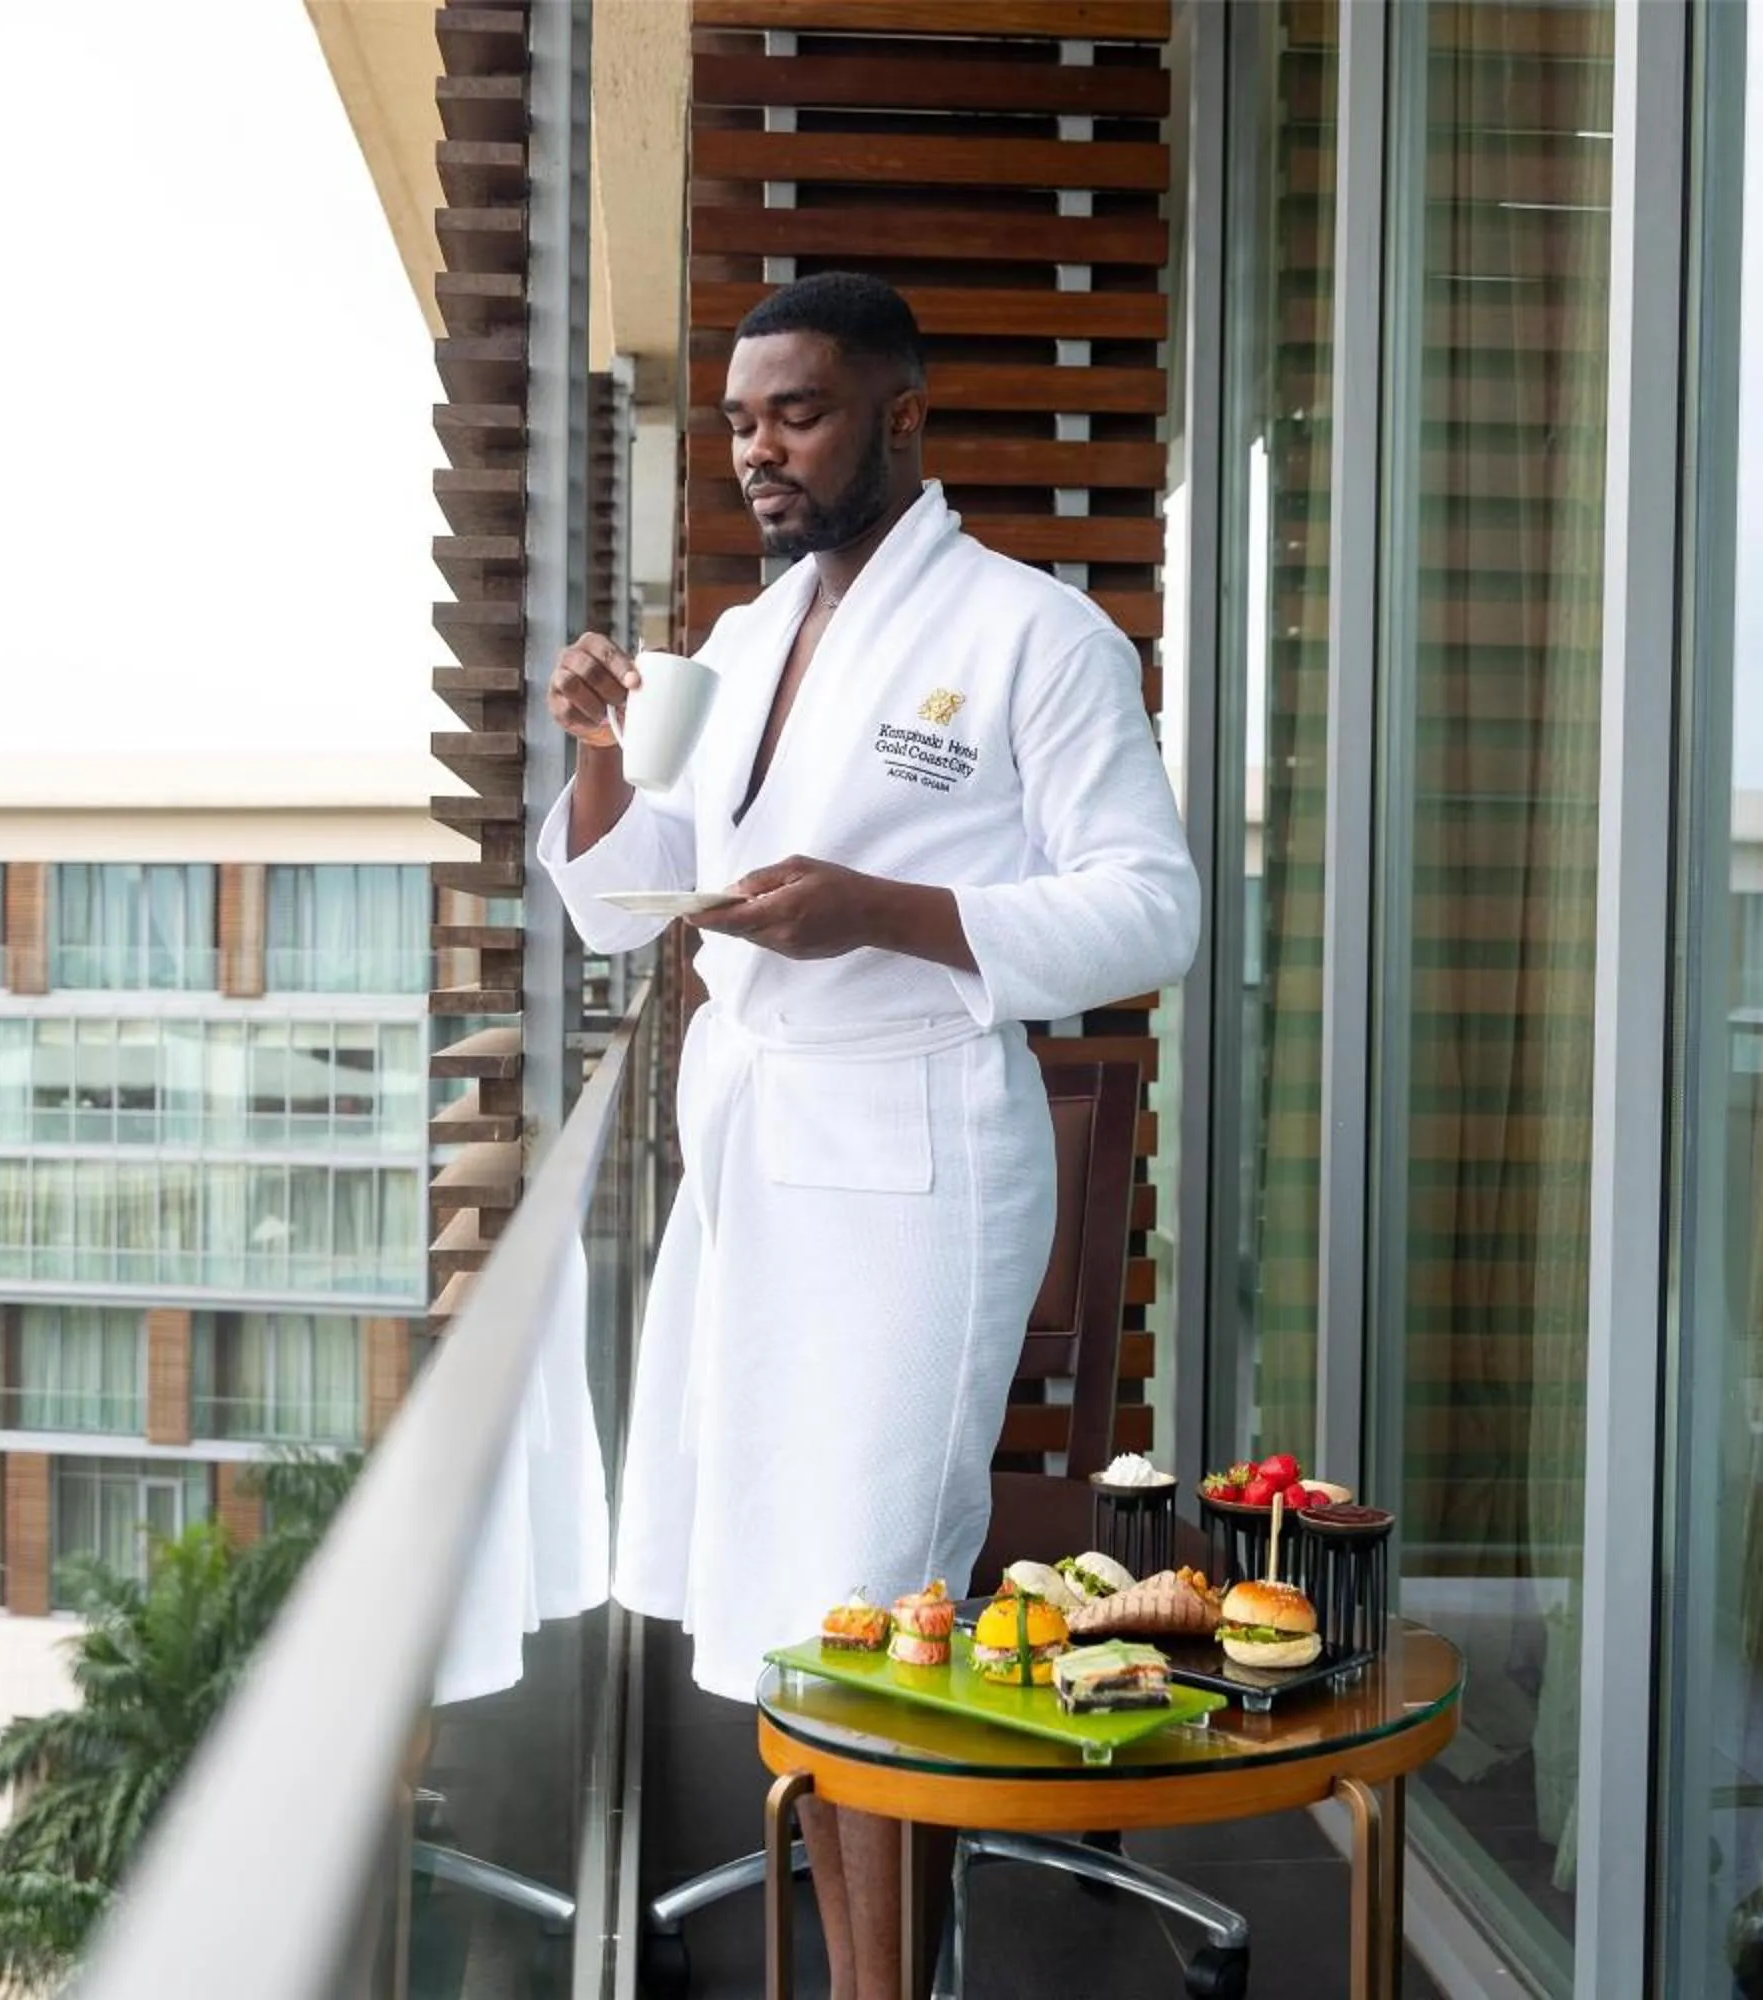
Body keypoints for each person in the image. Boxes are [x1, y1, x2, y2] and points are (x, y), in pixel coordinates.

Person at [539, 271, 1199, 1997]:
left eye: (801, 413)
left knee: (869, 1608)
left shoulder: (1034, 637)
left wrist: (882, 913)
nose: (762, 450)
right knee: (785, 1614)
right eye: (744, 419)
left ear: (904, 416)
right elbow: (621, 908)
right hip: (750, 1166)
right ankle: (855, 1976)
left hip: (915, 1183)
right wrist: (608, 759)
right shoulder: (737, 646)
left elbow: (1149, 914)